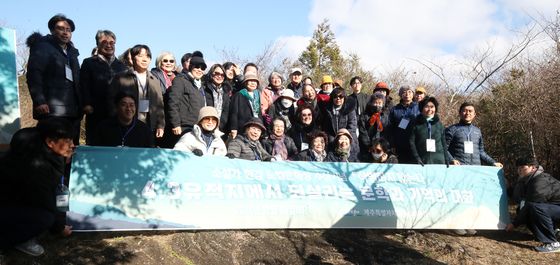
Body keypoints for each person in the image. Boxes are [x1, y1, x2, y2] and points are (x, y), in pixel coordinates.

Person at [0, 118, 74, 256]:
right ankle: (17, 240)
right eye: (68, 141)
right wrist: (59, 228)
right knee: (45, 218)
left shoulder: (38, 146)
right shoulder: (36, 167)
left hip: (16, 200)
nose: (72, 145)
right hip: (6, 206)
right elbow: (46, 201)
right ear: (50, 142)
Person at [26, 14, 82, 144]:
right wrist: (39, 101)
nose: (65, 32)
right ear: (52, 30)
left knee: (71, 151)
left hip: (73, 112)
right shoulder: (43, 47)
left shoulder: (72, 52)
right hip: (52, 111)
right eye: (61, 29)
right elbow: (34, 74)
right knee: (52, 150)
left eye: (68, 30)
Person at [80, 30, 128, 145]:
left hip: (117, 112)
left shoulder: (122, 66)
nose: (109, 45)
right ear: (97, 44)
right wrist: (86, 103)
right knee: (95, 143)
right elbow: (83, 84)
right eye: (105, 42)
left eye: (112, 43)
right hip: (96, 111)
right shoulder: (89, 62)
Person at [108, 44, 165, 140]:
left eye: (147, 56)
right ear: (133, 58)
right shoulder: (121, 77)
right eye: (140, 56)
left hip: (148, 124)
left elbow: (159, 105)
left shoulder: (154, 80)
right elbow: (110, 100)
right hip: (124, 124)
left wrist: (160, 125)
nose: (144, 59)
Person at [506, 157, 560, 253]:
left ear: (533, 168)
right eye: (518, 168)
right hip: (554, 208)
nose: (520, 170)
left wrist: (514, 224)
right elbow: (512, 192)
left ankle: (552, 243)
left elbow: (531, 204)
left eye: (523, 167)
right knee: (523, 209)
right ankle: (554, 233)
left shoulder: (540, 181)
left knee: (535, 208)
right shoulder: (526, 179)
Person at [446, 102, 503, 167]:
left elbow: (481, 152)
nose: (467, 113)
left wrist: (493, 162)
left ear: (474, 114)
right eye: (464, 111)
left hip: (475, 170)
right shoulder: (451, 129)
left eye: (470, 111)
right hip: (458, 169)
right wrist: (451, 160)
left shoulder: (477, 131)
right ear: (460, 113)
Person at [167, 51, 207, 138]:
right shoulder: (180, 80)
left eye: (202, 68)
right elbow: (173, 103)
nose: (199, 70)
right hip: (183, 127)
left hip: (197, 127)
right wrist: (176, 124)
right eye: (196, 66)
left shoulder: (200, 86)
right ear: (191, 67)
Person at [408, 97, 449, 165]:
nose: (429, 109)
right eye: (426, 106)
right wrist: (417, 157)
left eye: (432, 107)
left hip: (439, 161)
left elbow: (444, 143)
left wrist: (446, 158)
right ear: (421, 109)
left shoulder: (439, 124)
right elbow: (411, 142)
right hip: (422, 161)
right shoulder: (415, 124)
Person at [387, 85, 420, 163]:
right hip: (400, 145)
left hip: (416, 145)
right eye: (404, 92)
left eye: (409, 92)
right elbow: (390, 129)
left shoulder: (419, 108)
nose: (407, 94)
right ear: (400, 95)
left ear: (413, 94)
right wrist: (392, 145)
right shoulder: (394, 109)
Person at [228, 73, 263, 139]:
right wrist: (233, 128)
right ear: (246, 82)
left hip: (255, 127)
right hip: (242, 127)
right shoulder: (239, 94)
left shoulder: (257, 95)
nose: (253, 83)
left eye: (255, 81)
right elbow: (234, 113)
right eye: (250, 81)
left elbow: (259, 113)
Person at [358, 92, 389, 161]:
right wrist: (370, 145)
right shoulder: (364, 115)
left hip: (380, 148)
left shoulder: (384, 116)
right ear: (371, 103)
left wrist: (381, 145)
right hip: (366, 147)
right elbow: (362, 131)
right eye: (375, 102)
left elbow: (386, 132)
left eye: (379, 103)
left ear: (383, 104)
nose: (377, 105)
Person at [204, 64, 232, 133]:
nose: (219, 76)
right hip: (206, 126)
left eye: (222, 74)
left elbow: (226, 111)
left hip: (221, 129)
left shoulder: (226, 91)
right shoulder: (204, 89)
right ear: (211, 74)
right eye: (217, 73)